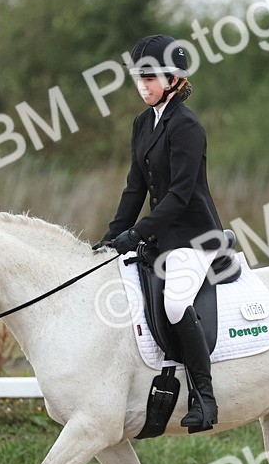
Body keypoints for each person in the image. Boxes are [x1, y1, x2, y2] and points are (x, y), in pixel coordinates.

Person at [94, 34, 224, 433]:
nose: (142, 85)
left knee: (173, 303)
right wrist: (112, 236)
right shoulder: (142, 122)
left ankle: (205, 397)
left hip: (195, 236)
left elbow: (179, 195)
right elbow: (136, 187)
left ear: (173, 79)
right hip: (161, 237)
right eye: (138, 77)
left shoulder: (187, 126)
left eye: (149, 77)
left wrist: (136, 234)